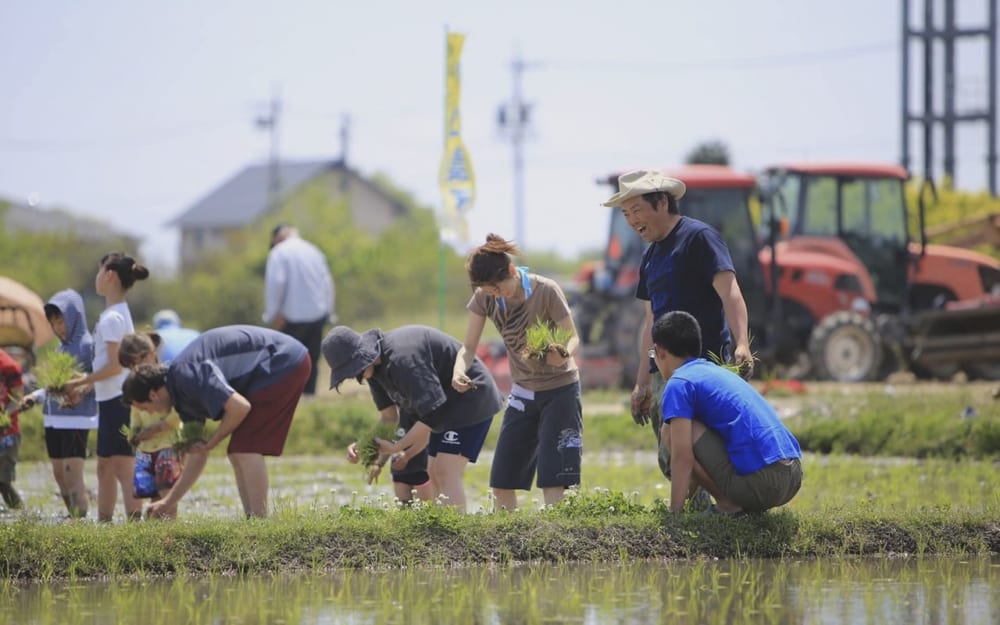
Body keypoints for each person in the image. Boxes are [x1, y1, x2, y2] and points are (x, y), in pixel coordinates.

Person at [602, 169, 754, 482]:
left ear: (661, 203)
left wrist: (742, 343)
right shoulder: (649, 256)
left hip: (706, 365)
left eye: (636, 210)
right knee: (670, 453)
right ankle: (693, 512)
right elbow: (650, 322)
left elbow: (730, 292)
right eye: (625, 213)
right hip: (665, 371)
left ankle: (718, 507)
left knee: (706, 444)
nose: (631, 220)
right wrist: (642, 382)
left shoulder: (700, 238)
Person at [121, 325, 311, 518]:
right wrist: (168, 502)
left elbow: (239, 408)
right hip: (274, 365)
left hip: (282, 360)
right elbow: (198, 456)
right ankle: (253, 519)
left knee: (245, 449)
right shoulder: (182, 400)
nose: (149, 413)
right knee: (237, 451)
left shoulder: (187, 375)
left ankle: (259, 521)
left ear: (153, 395)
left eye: (144, 408)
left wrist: (213, 441)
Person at [456, 233, 583, 511]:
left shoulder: (546, 290)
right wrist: (458, 371)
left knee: (554, 480)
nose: (495, 295)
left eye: (498, 288)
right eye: (489, 291)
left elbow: (572, 337)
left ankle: (559, 543)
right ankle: (508, 546)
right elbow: (468, 346)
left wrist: (562, 353)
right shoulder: (484, 298)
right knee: (502, 481)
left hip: (560, 391)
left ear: (512, 272)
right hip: (523, 392)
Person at [322, 324, 503, 512]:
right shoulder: (374, 371)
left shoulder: (404, 360)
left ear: (361, 357)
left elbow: (433, 416)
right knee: (432, 471)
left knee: (445, 470)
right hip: (444, 407)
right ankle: (442, 532)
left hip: (470, 397)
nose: (353, 377)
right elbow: (389, 418)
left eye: (352, 371)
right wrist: (364, 444)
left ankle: (455, 535)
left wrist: (398, 447)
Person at [651, 310, 802, 515]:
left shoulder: (679, 383)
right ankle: (733, 502)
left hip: (764, 483)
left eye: (653, 355)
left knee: (670, 431)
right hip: (793, 475)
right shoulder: (713, 371)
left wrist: (674, 515)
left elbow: (683, 458)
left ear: (659, 351)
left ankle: (728, 504)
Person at [64, 252, 149, 522]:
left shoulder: (112, 318)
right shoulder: (116, 314)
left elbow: (115, 365)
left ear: (109, 274)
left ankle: (136, 526)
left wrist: (80, 381)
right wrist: (86, 387)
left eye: (100, 272)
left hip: (118, 400)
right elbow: (111, 366)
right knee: (105, 467)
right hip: (111, 397)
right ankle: (105, 523)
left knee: (123, 466)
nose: (97, 277)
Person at [18, 289, 99, 518]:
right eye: (53, 323)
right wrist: (36, 396)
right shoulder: (59, 348)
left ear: (74, 317)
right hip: (53, 417)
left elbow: (98, 379)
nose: (58, 327)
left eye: (61, 321)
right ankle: (73, 515)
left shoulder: (88, 346)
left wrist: (81, 390)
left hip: (76, 417)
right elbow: (55, 384)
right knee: (59, 473)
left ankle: (80, 522)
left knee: (72, 472)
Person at [263, 224, 335, 396]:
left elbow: (276, 283)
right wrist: (329, 311)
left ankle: (290, 400)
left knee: (289, 363)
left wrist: (273, 313)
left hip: (291, 317)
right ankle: (309, 399)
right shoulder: (314, 251)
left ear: (277, 238)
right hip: (318, 314)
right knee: (311, 361)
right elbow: (327, 283)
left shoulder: (279, 252)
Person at [117, 332, 183, 519]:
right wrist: (135, 433)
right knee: (151, 490)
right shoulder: (133, 383)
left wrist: (160, 427)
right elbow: (135, 413)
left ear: (151, 353)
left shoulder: (166, 378)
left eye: (137, 362)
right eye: (130, 366)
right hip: (146, 447)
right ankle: (156, 531)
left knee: (167, 490)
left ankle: (170, 530)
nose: (135, 368)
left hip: (168, 443)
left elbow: (178, 412)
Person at [0, 347, 25, 510]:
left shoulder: (9, 366)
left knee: (3, 481)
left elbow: (18, 398)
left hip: (7, 433)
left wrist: (3, 416)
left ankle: (22, 515)